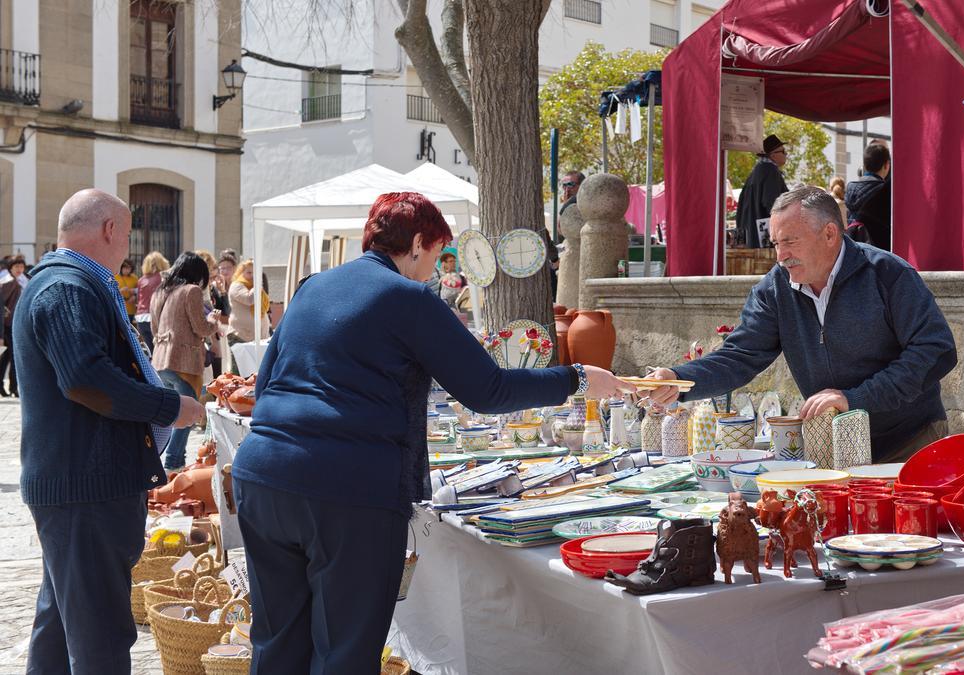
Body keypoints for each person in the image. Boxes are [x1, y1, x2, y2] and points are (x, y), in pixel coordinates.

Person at [232, 191, 634, 672]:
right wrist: (578, 378)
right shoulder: (409, 297)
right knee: (342, 652)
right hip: (346, 489)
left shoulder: (311, 287)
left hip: (264, 473)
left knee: (277, 646)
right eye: (438, 255)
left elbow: (265, 382)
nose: (436, 271)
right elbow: (487, 390)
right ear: (418, 243)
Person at [14, 189, 204, 674]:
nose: (129, 250)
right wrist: (168, 406)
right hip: (86, 488)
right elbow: (85, 377)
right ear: (109, 230)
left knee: (61, 623)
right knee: (99, 635)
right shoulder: (67, 287)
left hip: (80, 485)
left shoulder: (66, 282)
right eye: (126, 234)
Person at [646, 186, 957, 463]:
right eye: (776, 243)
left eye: (790, 242)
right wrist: (679, 379)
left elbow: (936, 350)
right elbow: (740, 356)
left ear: (830, 234)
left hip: (910, 442)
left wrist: (855, 398)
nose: (781, 256)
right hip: (833, 446)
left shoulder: (888, 274)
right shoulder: (775, 289)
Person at [151, 252, 221, 470]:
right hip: (184, 363)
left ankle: (166, 463)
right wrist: (213, 320)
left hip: (161, 360)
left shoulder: (160, 291)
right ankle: (173, 464)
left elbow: (154, 328)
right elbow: (201, 328)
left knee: (169, 416)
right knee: (186, 416)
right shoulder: (191, 291)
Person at [735, 134, 789, 249]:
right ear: (773, 155)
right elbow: (773, 204)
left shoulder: (755, 172)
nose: (786, 155)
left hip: (750, 236)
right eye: (783, 152)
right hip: (764, 238)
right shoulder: (770, 171)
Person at [845, 142, 892, 251]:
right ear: (886, 165)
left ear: (864, 165)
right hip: (877, 252)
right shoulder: (885, 192)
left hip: (853, 249)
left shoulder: (850, 188)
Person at [227, 258, 270, 347]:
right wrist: (257, 284)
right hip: (240, 337)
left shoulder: (255, 286)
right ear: (241, 272)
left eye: (255, 273)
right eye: (249, 273)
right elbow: (249, 299)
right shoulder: (237, 285)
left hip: (259, 338)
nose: (253, 276)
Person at [0, 256, 25, 397]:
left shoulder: (22, 280)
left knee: (10, 357)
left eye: (21, 267)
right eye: (17, 267)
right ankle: (11, 387)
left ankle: (11, 387)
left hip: (15, 323)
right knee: (10, 357)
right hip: (8, 325)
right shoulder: (9, 282)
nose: (19, 270)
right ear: (11, 268)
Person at [135, 251, 169, 353]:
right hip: (157, 316)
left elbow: (138, 299)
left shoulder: (141, 280)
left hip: (141, 317)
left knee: (148, 350)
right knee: (160, 350)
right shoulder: (164, 278)